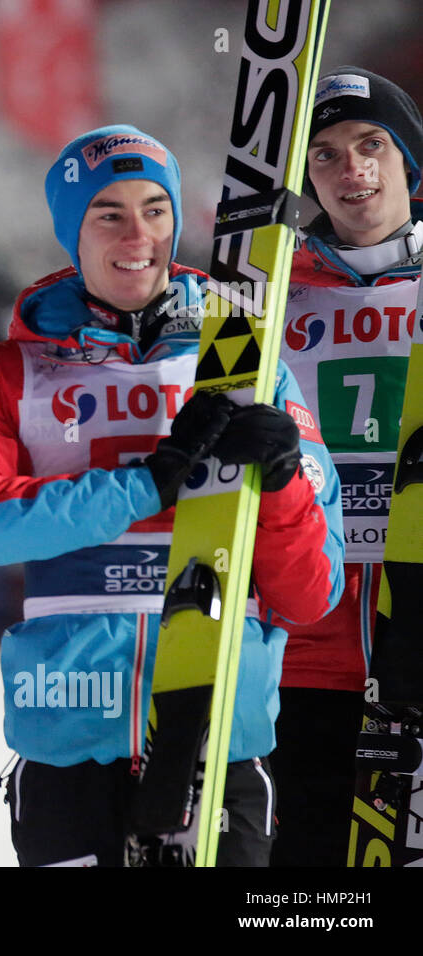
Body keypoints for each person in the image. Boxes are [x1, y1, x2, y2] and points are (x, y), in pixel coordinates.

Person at [0, 125, 344, 866]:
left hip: (221, 736)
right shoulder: (17, 367)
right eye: (108, 213)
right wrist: (144, 484)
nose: (137, 233)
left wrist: (277, 485)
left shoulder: (246, 361)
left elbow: (312, 595)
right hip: (70, 735)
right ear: (71, 231)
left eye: (155, 209)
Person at [271, 67, 423, 867]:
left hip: (418, 626)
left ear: (409, 163)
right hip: (306, 639)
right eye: (325, 155)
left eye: (373, 145)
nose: (352, 169)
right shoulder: (265, 302)